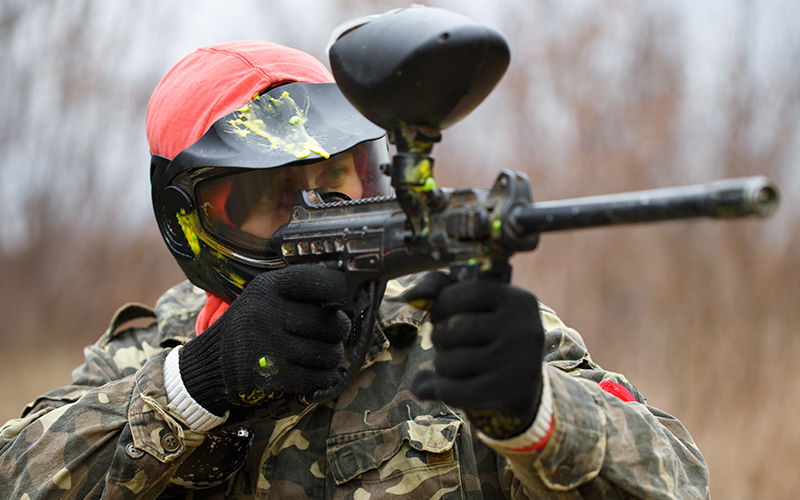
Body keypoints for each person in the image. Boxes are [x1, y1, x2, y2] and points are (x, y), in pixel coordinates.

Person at [0, 38, 710, 499]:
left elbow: (681, 481)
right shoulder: (153, 349)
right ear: (188, 218)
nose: (313, 205)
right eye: (261, 194)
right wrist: (202, 382)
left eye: (335, 173)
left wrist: (536, 413)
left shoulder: (451, 336)